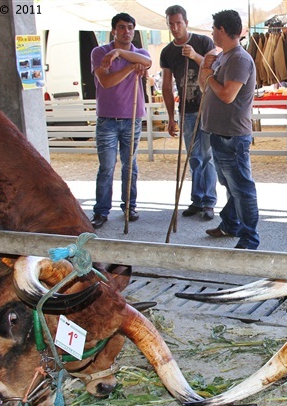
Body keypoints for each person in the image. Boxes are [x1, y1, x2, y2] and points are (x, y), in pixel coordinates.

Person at [200, 10, 260, 250]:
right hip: (220, 133)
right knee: (231, 185)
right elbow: (210, 89)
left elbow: (227, 95)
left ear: (222, 30)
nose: (212, 33)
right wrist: (207, 70)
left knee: (242, 188)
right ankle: (230, 223)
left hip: (232, 136)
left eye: (214, 29)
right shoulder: (224, 56)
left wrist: (208, 77)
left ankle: (249, 237)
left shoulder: (239, 59)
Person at [89, 13, 151, 229]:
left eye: (130, 28)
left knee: (130, 166)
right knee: (106, 166)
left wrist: (120, 53)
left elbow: (148, 61)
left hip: (132, 118)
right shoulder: (100, 52)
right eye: (122, 27)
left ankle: (129, 206)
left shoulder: (139, 52)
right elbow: (106, 81)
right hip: (107, 118)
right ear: (114, 30)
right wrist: (129, 67)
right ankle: (101, 210)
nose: (127, 32)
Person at [160, 5, 217, 221]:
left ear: (186, 22)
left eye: (178, 23)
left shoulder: (203, 42)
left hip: (206, 107)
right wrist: (171, 117)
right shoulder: (167, 52)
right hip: (186, 109)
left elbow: (214, 68)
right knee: (193, 157)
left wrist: (194, 56)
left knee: (206, 156)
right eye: (171, 24)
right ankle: (197, 199)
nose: (175, 28)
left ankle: (209, 201)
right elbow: (166, 86)